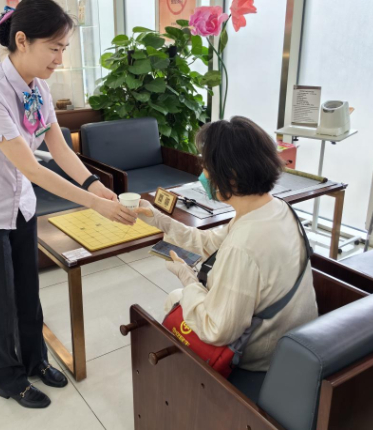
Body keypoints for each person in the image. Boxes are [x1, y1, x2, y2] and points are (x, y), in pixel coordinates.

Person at [0, 0, 136, 409]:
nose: (60, 59)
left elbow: (59, 145)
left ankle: (35, 361)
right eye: (54, 48)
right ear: (22, 41)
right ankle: (10, 379)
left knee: (27, 293)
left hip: (20, 205)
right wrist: (95, 205)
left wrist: (94, 184)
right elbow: (32, 166)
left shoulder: (39, 87)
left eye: (64, 48)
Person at [136, 116, 318, 372]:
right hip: (295, 335)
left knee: (176, 298)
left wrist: (188, 279)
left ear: (231, 174)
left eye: (206, 167)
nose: (202, 176)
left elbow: (216, 330)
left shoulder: (243, 245)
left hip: (262, 354)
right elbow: (210, 242)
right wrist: (158, 219)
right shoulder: (275, 208)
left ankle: (184, 382)